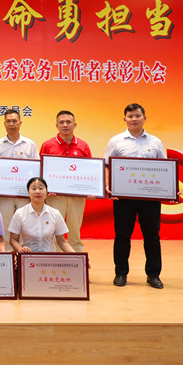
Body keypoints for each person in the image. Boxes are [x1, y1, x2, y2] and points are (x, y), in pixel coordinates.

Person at [104, 103, 167, 289]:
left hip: (150, 198)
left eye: (137, 116)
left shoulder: (155, 142)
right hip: (123, 198)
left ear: (144, 118)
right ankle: (121, 273)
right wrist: (107, 185)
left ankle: (153, 275)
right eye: (130, 116)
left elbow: (165, 168)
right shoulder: (116, 141)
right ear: (124, 119)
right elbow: (107, 165)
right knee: (122, 236)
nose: (134, 119)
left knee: (152, 237)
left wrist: (171, 189)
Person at [39, 110, 92, 252]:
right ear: (56, 125)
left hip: (77, 196)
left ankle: (76, 258)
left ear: (75, 125)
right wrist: (46, 189)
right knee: (54, 228)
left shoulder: (83, 146)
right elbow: (41, 170)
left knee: (75, 229)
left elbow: (90, 170)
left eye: (68, 122)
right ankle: (54, 258)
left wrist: (91, 189)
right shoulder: (47, 145)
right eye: (61, 122)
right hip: (55, 196)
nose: (65, 125)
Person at [0, 108, 40, 237]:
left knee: (25, 225)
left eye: (14, 121)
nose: (11, 124)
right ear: (4, 123)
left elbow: (36, 170)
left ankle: (23, 250)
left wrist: (34, 190)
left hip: (23, 193)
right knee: (4, 225)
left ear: (20, 123)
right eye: (8, 121)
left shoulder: (29, 144)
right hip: (3, 194)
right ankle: (6, 249)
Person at [8, 177, 74, 253]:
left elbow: (62, 242)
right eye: (33, 189)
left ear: (47, 191)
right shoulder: (20, 213)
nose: (37, 192)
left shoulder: (55, 213)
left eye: (41, 188)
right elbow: (13, 239)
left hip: (49, 257)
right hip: (27, 257)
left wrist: (78, 256)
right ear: (28, 192)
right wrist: (20, 250)